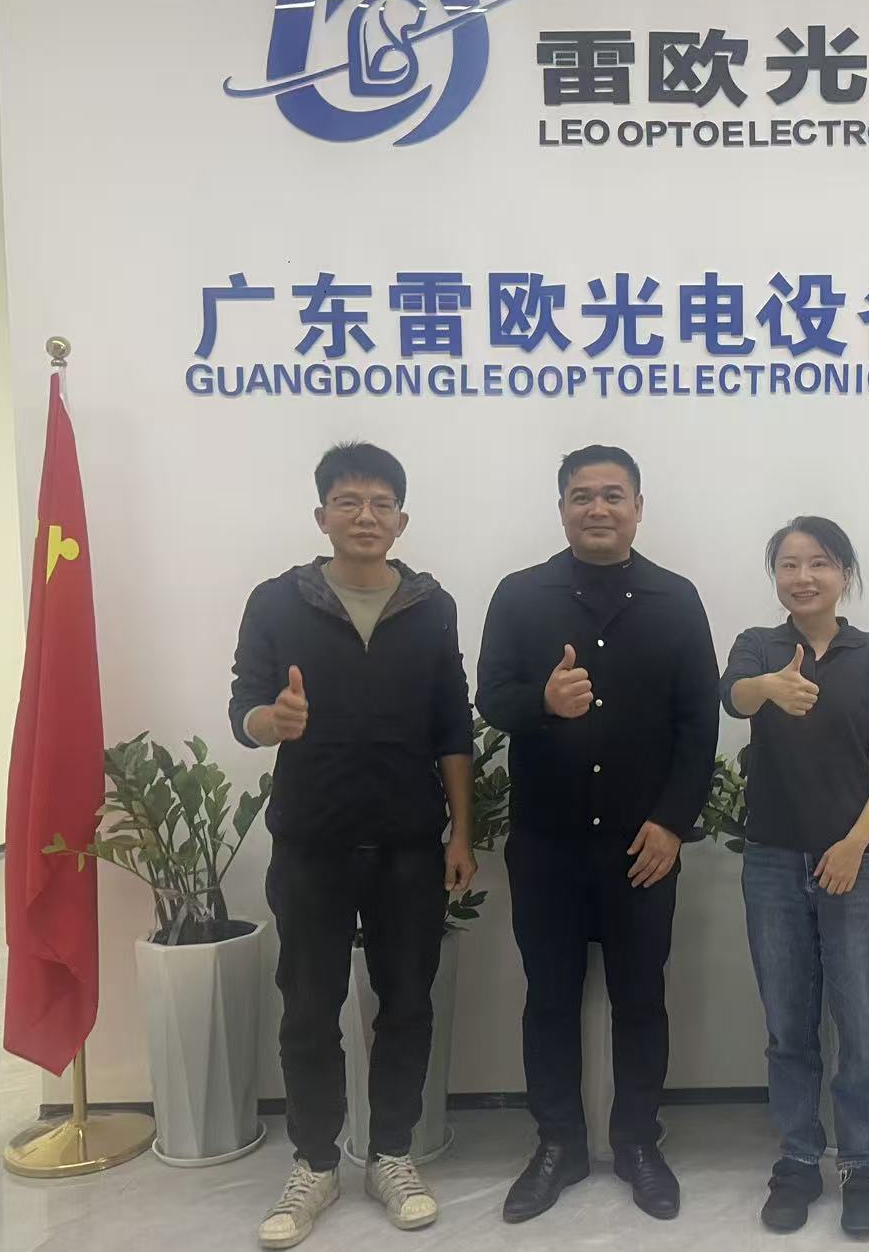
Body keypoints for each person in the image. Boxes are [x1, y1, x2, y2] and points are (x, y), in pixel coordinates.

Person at [229, 442, 476, 1250]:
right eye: (348, 501)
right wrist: (271, 722)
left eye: (380, 504)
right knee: (309, 1008)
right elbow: (244, 705)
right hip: (312, 841)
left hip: (409, 843)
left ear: (401, 520)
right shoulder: (277, 602)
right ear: (322, 515)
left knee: (407, 1004)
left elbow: (452, 724)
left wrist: (462, 831)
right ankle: (315, 1164)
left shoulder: (431, 607)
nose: (365, 516)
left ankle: (392, 1155)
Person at [476, 444, 719, 1225]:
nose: (598, 508)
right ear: (561, 510)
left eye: (614, 494)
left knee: (641, 1000)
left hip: (642, 848)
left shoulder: (677, 600)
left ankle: (639, 1143)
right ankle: (558, 1145)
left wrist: (672, 824)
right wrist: (543, 703)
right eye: (582, 495)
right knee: (548, 1000)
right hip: (546, 845)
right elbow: (491, 698)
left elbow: (699, 725)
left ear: (638, 508)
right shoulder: (520, 596)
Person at [721, 517, 869, 1239]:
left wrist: (855, 844)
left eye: (820, 563)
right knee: (788, 1024)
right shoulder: (759, 646)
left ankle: (863, 1164)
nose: (803, 577)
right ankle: (799, 1158)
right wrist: (769, 687)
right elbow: (733, 696)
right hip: (773, 861)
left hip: (857, 864)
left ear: (844, 574)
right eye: (789, 564)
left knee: (862, 1026)